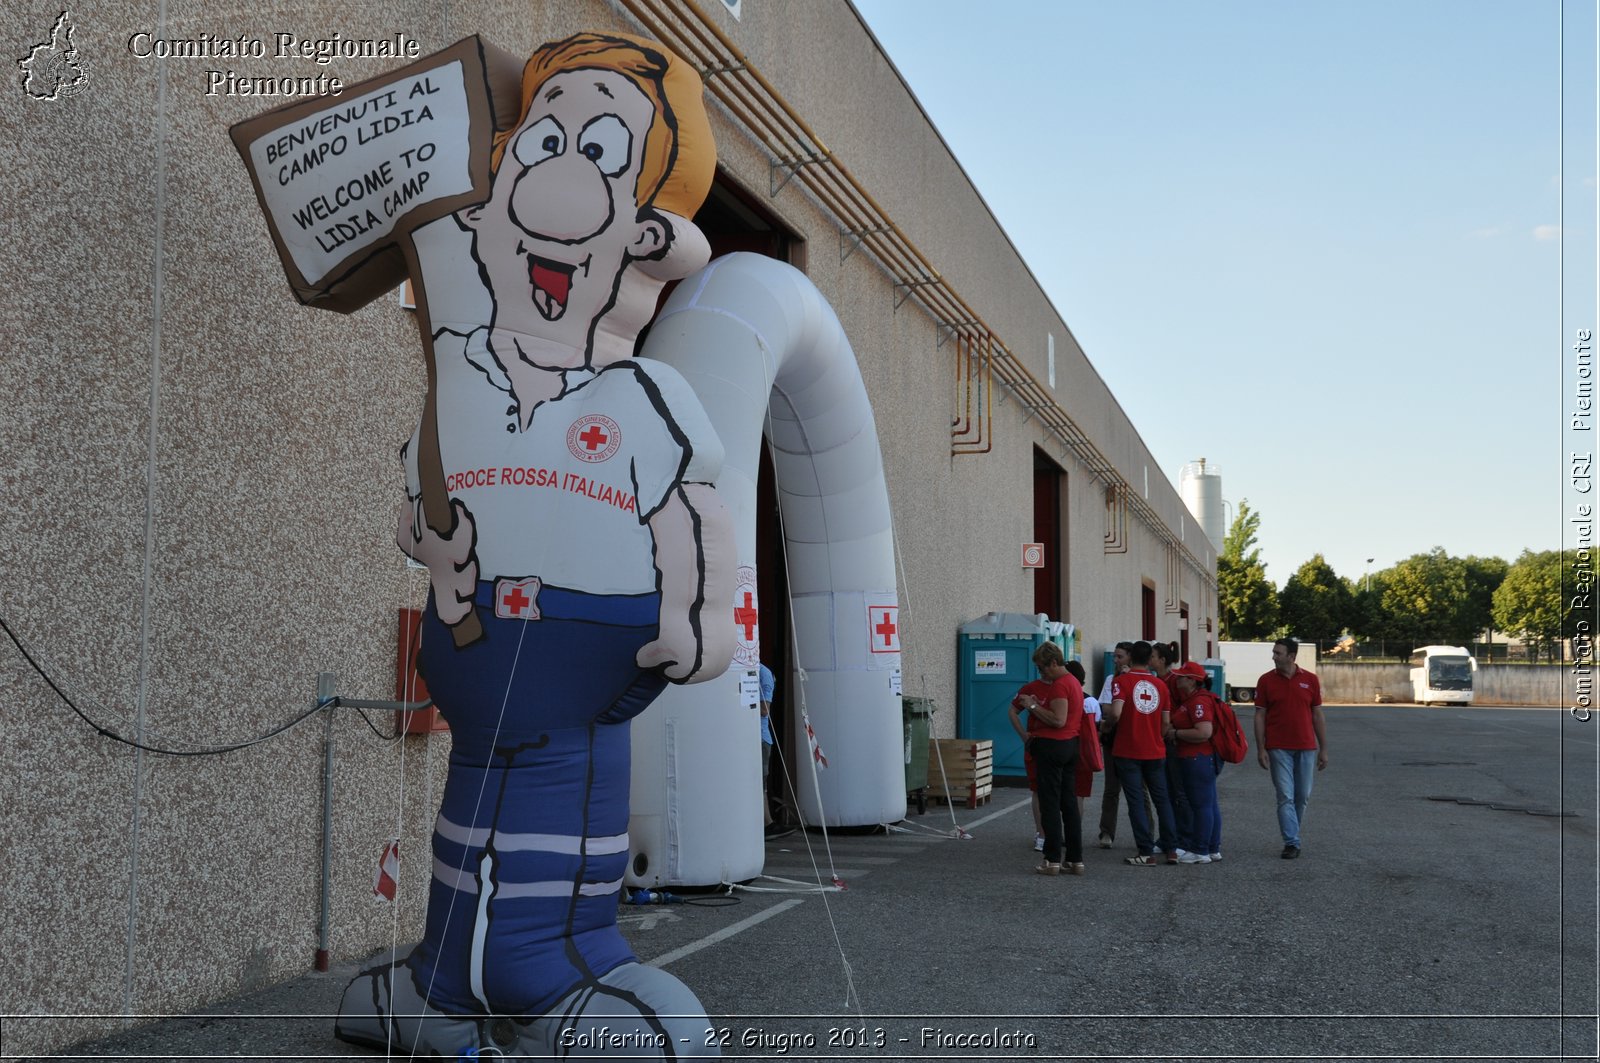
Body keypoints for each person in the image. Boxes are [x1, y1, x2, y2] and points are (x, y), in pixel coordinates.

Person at [337, 32, 731, 1059]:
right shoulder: (460, 371)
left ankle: (545, 964)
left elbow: (688, 511)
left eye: (600, 149)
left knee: (557, 777)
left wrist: (698, 619)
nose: (557, 173)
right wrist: (429, 549)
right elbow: (420, 500)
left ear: (645, 238)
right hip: (471, 638)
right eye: (543, 140)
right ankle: (444, 972)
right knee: (477, 787)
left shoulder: (641, 393)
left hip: (586, 642)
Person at [1104, 640, 1178, 866]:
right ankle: (1171, 848)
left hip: (1128, 749)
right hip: (1155, 750)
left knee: (1135, 801)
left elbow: (1115, 713)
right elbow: (1166, 722)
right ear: (1149, 659)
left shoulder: (1121, 682)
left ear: (1131, 657)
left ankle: (1145, 851)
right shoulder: (1161, 685)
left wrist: (1106, 727)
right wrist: (1156, 736)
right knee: (1162, 800)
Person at [1254, 638, 1328, 859]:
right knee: (1285, 795)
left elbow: (1317, 715)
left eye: (1278, 653)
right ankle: (1292, 842)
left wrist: (1323, 748)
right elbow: (1259, 715)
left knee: (1302, 795)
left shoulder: (1310, 680)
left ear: (1292, 656)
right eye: (1274, 652)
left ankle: (1292, 833)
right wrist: (1261, 748)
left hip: (1306, 747)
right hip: (1278, 747)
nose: (1274, 657)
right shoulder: (1266, 681)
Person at [1016, 641, 1086, 876]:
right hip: (1070, 746)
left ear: (1054, 662)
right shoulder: (1074, 682)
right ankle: (1075, 860)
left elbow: (1058, 720)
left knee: (1050, 804)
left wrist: (1032, 704)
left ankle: (1052, 859)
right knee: (1069, 804)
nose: (1041, 673)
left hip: (1052, 746)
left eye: (1042, 668)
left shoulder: (1060, 685)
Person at [1096, 641, 1153, 848]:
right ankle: (1106, 832)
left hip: (1135, 740)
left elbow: (1141, 709)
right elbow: (1106, 706)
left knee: (1140, 789)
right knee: (1112, 788)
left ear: (1131, 657)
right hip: (1114, 738)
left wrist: (1116, 711)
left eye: (1120, 657)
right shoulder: (1113, 679)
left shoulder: (1143, 681)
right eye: (1115, 657)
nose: (1116, 661)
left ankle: (1147, 833)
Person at [1166, 661, 1221, 864]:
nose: (1177, 679)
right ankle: (1212, 847)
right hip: (1199, 757)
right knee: (1208, 804)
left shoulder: (1198, 702)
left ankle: (1200, 850)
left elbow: (1204, 732)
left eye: (1181, 676)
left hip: (1197, 757)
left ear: (1192, 681)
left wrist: (1176, 733)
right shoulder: (1194, 699)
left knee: (1201, 805)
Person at [1150, 640, 1192, 858]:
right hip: (1160, 741)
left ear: (1162, 660)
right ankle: (1167, 837)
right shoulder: (1156, 681)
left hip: (1172, 743)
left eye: (1153, 656)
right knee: (1163, 792)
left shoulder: (1175, 681)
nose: (1149, 660)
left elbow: (1187, 709)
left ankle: (1183, 839)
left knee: (1177, 792)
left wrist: (1172, 727)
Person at [1066, 660, 1102, 821]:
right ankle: (1074, 832)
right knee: (1078, 794)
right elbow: (1097, 729)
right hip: (1084, 753)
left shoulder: (1060, 699)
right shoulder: (1091, 702)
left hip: (1064, 747)